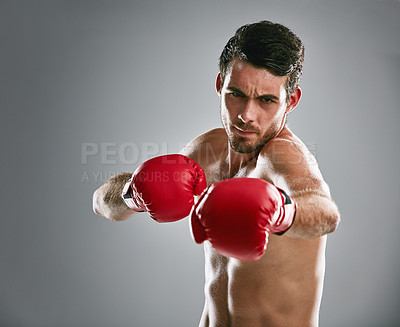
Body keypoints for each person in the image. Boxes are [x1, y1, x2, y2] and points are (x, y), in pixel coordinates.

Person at [92, 20, 340, 327]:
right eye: (236, 93)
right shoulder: (210, 149)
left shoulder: (286, 156)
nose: (246, 115)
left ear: (291, 101)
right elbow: (101, 203)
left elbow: (326, 214)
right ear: (220, 83)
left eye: (266, 100)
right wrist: (133, 193)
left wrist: (281, 212)